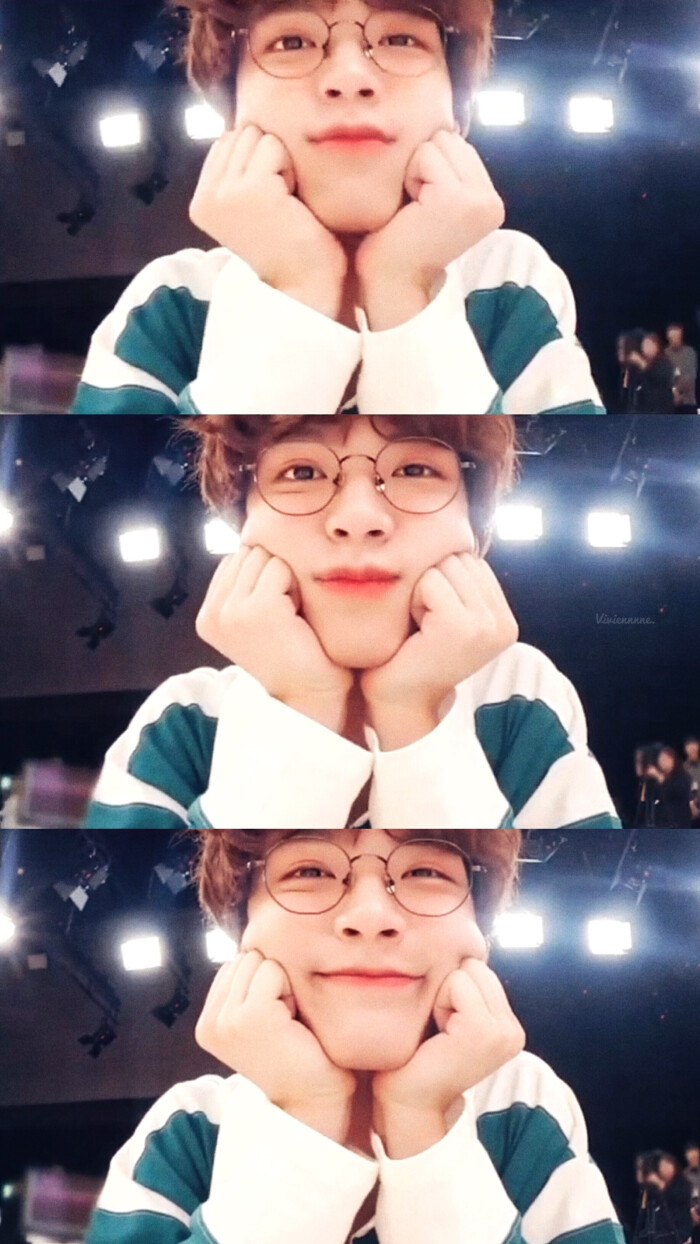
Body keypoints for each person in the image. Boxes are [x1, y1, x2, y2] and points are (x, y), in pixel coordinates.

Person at [85, 826, 625, 1244]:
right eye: (310, 870)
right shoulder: (187, 1133)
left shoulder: (523, 1106)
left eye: (426, 871)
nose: (370, 915)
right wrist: (308, 1117)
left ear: (478, 926)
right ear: (241, 925)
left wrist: (421, 1125)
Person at [83, 415, 622, 830]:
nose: (358, 518)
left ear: (474, 523)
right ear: (242, 525)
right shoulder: (182, 725)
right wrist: (304, 704)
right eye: (301, 472)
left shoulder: (519, 696)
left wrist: (412, 714)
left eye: (415, 470)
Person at [70, 0, 605, 415]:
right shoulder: (167, 306)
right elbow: (213, 491)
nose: (350, 76)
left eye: (400, 38)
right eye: (292, 41)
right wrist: (297, 283)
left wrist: (405, 285)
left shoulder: (510, 282)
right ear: (230, 114)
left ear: (458, 110)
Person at [644, 746, 694, 829]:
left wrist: (660, 778)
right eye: (661, 760)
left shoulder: (682, 777)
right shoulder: (657, 779)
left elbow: (674, 794)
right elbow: (653, 797)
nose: (662, 763)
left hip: (678, 822)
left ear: (673, 760)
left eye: (665, 760)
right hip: (660, 823)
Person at [626, 334, 676, 414]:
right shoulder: (638, 365)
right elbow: (633, 384)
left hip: (660, 408)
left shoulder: (664, 362)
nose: (645, 348)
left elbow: (661, 378)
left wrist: (643, 364)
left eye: (649, 344)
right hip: (641, 409)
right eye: (644, 345)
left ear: (656, 346)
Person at [666, 325, 698, 413]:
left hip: (687, 403)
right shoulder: (664, 354)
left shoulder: (689, 352)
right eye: (672, 336)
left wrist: (677, 391)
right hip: (668, 404)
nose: (674, 339)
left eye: (677, 336)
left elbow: (689, 376)